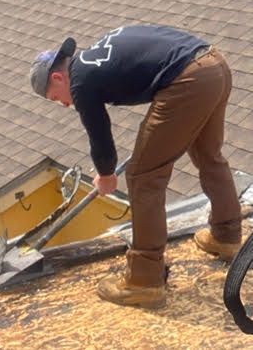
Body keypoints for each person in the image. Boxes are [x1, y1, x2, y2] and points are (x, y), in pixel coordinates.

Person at [30, 23, 242, 309]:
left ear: (58, 77)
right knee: (208, 155)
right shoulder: (96, 54)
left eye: (56, 98)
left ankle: (144, 282)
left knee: (143, 176)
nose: (64, 104)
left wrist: (106, 174)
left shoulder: (80, 82)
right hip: (214, 65)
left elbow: (100, 136)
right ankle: (226, 237)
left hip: (188, 79)